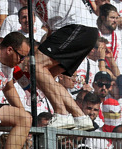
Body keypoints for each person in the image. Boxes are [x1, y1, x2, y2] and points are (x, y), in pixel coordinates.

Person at [32, 0, 101, 130]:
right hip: (74, 32)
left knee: (35, 65)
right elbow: (52, 28)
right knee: (45, 78)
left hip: (77, 27)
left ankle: (61, 114)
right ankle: (80, 116)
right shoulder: (34, 5)